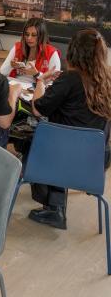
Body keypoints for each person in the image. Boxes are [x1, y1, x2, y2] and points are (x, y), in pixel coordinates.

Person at [28, 28, 111, 230]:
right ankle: (55, 203)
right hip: (94, 164)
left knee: (30, 139)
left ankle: (53, 207)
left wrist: (40, 81)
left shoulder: (70, 79)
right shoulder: (107, 81)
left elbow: (38, 108)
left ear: (73, 52)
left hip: (61, 159)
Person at [0, 18, 61, 84]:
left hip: (35, 90)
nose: (29, 38)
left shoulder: (51, 52)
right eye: (27, 34)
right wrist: (11, 66)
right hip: (14, 85)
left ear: (41, 36)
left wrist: (36, 74)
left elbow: (54, 83)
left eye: (34, 35)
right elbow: (2, 72)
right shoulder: (18, 47)